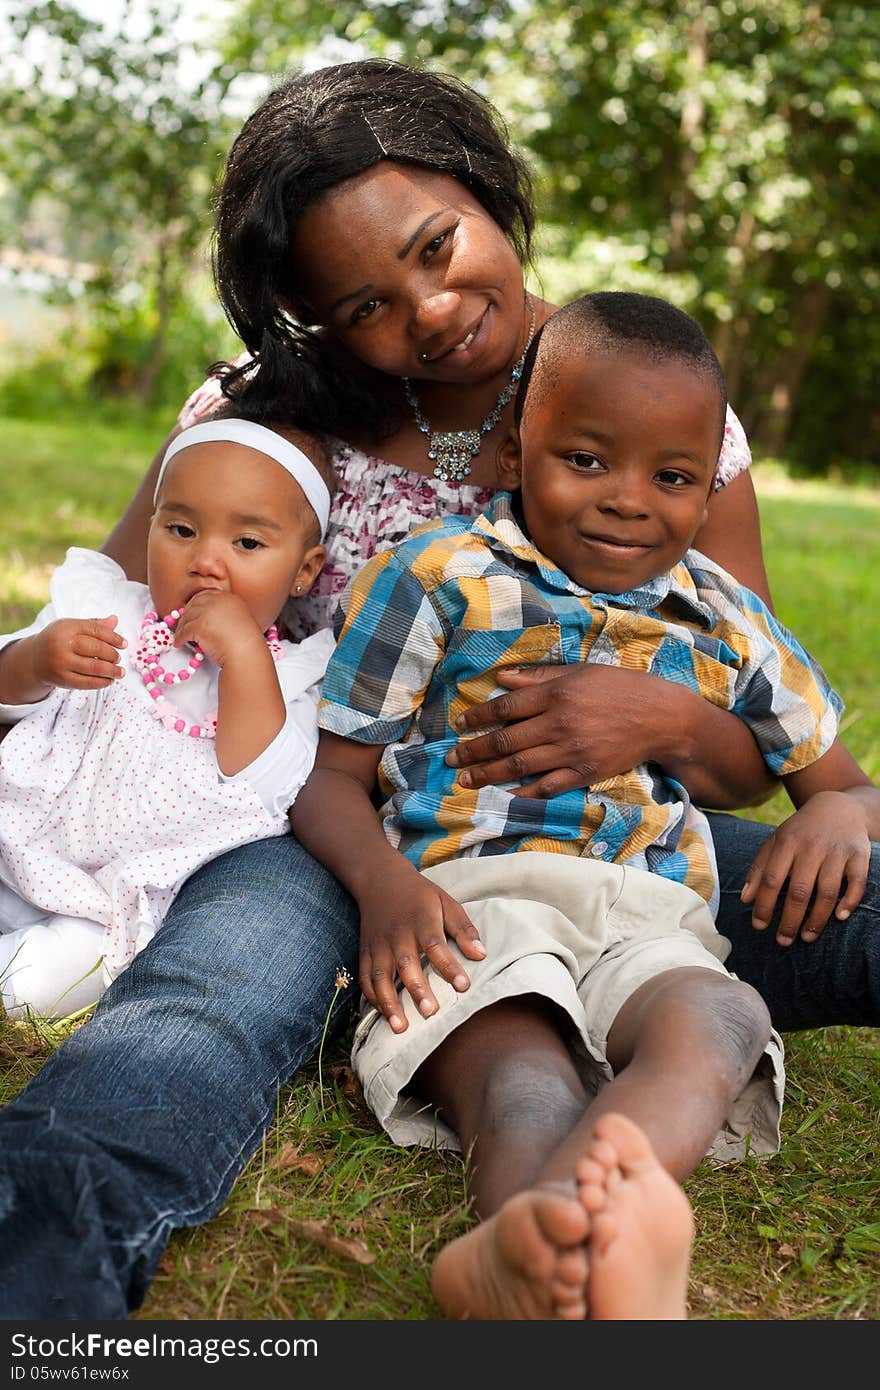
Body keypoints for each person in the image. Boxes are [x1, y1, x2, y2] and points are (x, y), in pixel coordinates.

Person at [0, 59, 876, 1320]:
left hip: (633, 844)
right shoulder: (272, 417)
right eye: (364, 301)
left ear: (485, 187)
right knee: (196, 1011)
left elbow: (753, 733)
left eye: (437, 243)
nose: (430, 307)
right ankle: (37, 1282)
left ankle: (582, 1209)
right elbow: (129, 618)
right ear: (313, 321)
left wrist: (670, 720)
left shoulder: (649, 390)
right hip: (325, 837)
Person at [290, 291, 866, 1319]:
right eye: (586, 459)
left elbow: (844, 785)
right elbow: (333, 778)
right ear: (514, 449)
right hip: (469, 901)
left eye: (672, 476)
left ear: (708, 486)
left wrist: (832, 813)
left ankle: (600, 1212)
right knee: (525, 1082)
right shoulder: (435, 576)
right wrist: (381, 887)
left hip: (645, 909)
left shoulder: (725, 620)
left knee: (723, 1013)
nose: (628, 501)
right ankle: (521, 1244)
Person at [0, 416, 334, 1019]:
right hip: (16, 835)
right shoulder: (103, 609)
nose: (205, 561)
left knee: (55, 978)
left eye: (247, 544)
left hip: (109, 907)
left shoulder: (288, 678)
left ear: (305, 570)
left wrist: (243, 655)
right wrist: (36, 659)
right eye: (180, 529)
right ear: (150, 528)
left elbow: (268, 784)